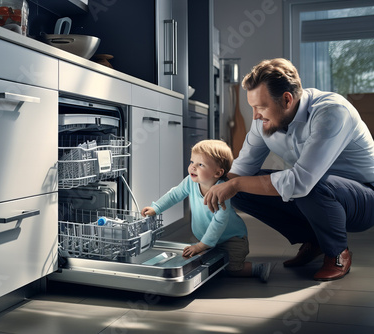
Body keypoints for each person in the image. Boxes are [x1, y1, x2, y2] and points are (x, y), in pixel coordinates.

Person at [204, 58, 374, 281]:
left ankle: (337, 253)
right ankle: (315, 241)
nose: (255, 115)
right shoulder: (262, 121)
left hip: (364, 198)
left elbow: (302, 181)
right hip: (316, 190)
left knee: (309, 186)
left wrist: (234, 184)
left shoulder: (332, 112)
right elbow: (242, 170)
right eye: (252, 107)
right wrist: (214, 189)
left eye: (261, 107)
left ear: (286, 99)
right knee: (239, 190)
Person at [141, 139, 271, 282]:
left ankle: (259, 268)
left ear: (218, 172)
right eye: (192, 162)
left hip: (232, 238)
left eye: (200, 164)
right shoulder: (190, 182)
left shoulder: (222, 191)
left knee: (233, 269)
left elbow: (220, 221)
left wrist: (202, 245)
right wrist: (156, 208)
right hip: (207, 237)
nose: (192, 167)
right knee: (208, 261)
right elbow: (174, 194)